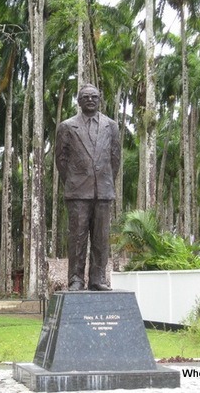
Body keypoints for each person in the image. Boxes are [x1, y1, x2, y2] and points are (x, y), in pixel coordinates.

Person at [55, 83, 121, 291]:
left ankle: (98, 278)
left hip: (103, 190)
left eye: (94, 96)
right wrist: (75, 180)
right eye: (85, 97)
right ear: (79, 101)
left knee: (101, 238)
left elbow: (115, 158)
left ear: (99, 99)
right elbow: (61, 159)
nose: (90, 100)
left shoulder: (111, 126)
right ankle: (76, 278)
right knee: (77, 237)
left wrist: (104, 179)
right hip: (77, 191)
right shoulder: (67, 126)